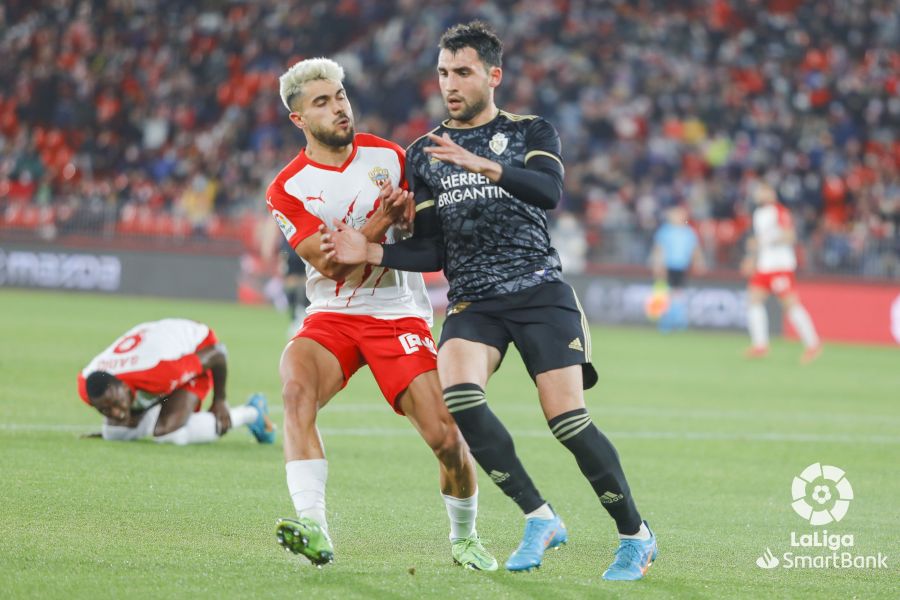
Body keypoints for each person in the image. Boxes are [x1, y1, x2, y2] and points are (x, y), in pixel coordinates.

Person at [322, 22, 657, 580]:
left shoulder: (532, 131)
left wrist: (488, 166)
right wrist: (374, 248)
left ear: (493, 76)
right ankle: (540, 516)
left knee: (567, 421)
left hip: (539, 292)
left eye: (462, 72)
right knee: (461, 397)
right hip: (474, 302)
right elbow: (430, 248)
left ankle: (635, 536)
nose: (449, 84)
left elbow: (549, 193)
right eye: (443, 73)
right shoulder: (424, 154)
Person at [266, 57, 496, 570]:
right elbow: (333, 265)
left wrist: (411, 221)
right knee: (296, 389)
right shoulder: (288, 188)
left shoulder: (391, 157)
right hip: (333, 313)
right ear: (299, 119)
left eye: (340, 96)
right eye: (322, 102)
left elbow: (422, 237)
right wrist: (382, 219)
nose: (339, 108)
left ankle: (464, 536)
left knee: (446, 439)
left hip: (399, 314)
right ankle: (314, 526)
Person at [77, 318, 275, 445]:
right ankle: (159, 414)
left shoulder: (160, 372)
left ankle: (252, 413)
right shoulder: (87, 384)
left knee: (167, 434)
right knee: (114, 433)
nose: (116, 413)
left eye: (116, 404)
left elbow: (218, 353)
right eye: (104, 410)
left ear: (124, 387)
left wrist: (220, 399)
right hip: (160, 345)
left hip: (198, 346)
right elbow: (114, 405)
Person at [741, 182, 821, 363]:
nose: (758, 194)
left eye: (761, 190)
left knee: (790, 305)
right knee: (753, 300)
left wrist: (765, 240)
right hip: (764, 266)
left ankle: (813, 344)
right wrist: (751, 258)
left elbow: (789, 236)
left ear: (770, 193)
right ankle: (760, 345)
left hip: (780, 266)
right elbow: (759, 242)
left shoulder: (779, 211)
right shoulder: (758, 214)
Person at [648, 203, 706, 331]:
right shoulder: (665, 231)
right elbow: (659, 249)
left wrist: (699, 262)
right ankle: (666, 320)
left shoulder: (688, 232)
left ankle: (678, 319)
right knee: (665, 292)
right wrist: (657, 264)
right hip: (667, 266)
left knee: (678, 293)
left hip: (682, 266)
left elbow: (695, 249)